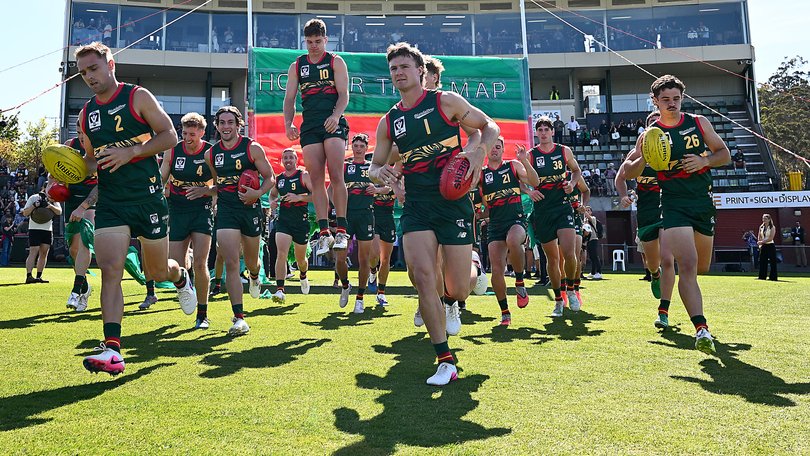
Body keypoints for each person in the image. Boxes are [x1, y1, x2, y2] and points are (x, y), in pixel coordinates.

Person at [369, 42, 500, 386]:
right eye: (393, 68)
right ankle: (445, 360)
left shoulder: (446, 102)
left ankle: (473, 267)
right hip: (416, 205)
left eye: (404, 67)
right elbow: (374, 165)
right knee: (423, 277)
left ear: (420, 71)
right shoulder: (389, 121)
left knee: (457, 289)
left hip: (453, 202)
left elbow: (489, 127)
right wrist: (381, 173)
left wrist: (479, 152)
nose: (398, 72)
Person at [75, 42, 197, 375]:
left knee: (156, 272)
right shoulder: (86, 114)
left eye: (94, 68)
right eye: (83, 72)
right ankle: (112, 349)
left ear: (110, 64)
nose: (89, 76)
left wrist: (131, 152)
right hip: (112, 202)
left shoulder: (137, 96)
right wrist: (69, 168)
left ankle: (181, 276)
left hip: (148, 198)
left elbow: (169, 136)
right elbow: (90, 162)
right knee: (110, 270)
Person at [622, 74, 731, 354]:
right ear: (655, 101)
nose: (672, 104)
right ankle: (701, 329)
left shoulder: (698, 123)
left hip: (702, 201)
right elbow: (628, 172)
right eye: (665, 99)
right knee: (688, 265)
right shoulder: (649, 135)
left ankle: (696, 322)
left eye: (676, 99)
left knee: (702, 266)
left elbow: (724, 154)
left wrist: (705, 160)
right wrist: (645, 156)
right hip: (672, 203)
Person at [206, 106, 276, 336]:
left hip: (250, 210)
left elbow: (270, 178)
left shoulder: (252, 148)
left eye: (230, 122)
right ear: (217, 126)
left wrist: (258, 194)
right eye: (222, 122)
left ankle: (255, 276)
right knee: (231, 262)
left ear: (238, 125)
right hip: (227, 210)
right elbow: (218, 184)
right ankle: (239, 318)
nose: (226, 126)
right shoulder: (211, 154)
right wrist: (208, 195)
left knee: (252, 261)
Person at [283, 19, 350, 257]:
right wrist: (288, 123)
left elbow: (344, 95)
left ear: (326, 40)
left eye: (318, 41)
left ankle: (341, 230)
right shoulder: (297, 65)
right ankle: (324, 233)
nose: (313, 46)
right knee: (316, 179)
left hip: (332, 122)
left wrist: (336, 116)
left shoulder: (335, 61)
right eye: (309, 42)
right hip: (310, 125)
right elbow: (289, 99)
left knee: (336, 174)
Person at [615, 110, 677, 328]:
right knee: (653, 262)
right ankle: (654, 274)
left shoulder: (674, 149)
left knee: (668, 259)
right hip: (646, 210)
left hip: (669, 207)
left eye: (659, 123)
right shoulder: (636, 152)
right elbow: (621, 177)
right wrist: (623, 195)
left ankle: (663, 311)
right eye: (651, 124)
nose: (655, 127)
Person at [159, 112, 215, 329]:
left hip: (202, 210)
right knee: (174, 265)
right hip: (177, 209)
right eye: (184, 133)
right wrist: (156, 192)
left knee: (201, 263)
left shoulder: (210, 152)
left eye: (192, 134)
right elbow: (162, 177)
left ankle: (202, 314)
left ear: (202, 133)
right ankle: (184, 282)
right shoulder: (173, 150)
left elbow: (220, 186)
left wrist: (205, 191)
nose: (188, 138)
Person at [527, 116, 583, 317]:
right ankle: (558, 300)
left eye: (546, 129)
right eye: (540, 130)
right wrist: (529, 191)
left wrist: (572, 183)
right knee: (552, 259)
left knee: (569, 253)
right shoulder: (531, 155)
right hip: (542, 211)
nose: (543, 133)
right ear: (536, 133)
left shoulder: (563, 151)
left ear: (552, 131)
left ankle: (571, 290)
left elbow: (576, 171)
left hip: (562, 207)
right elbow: (520, 179)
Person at [481, 138, 540, 325]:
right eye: (491, 147)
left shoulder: (513, 165)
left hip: (516, 219)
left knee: (513, 240)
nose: (494, 150)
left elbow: (535, 181)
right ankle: (505, 312)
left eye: (498, 147)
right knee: (496, 270)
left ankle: (520, 282)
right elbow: (479, 200)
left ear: (503, 149)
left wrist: (525, 161)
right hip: (495, 224)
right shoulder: (481, 173)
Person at [337, 134, 376, 313]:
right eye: (356, 146)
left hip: (366, 215)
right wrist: (336, 208)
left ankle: (360, 298)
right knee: (340, 258)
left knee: (364, 259)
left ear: (367, 148)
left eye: (362, 146)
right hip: (346, 217)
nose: (358, 149)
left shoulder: (372, 167)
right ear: (351, 147)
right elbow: (331, 189)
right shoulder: (345, 166)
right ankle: (345, 285)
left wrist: (377, 189)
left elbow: (388, 187)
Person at [63, 121, 99, 312]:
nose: (81, 136)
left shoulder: (101, 148)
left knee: (85, 241)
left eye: (84, 132)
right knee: (73, 250)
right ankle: (85, 288)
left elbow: (102, 184)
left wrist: (83, 206)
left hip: (91, 198)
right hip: (70, 199)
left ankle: (76, 291)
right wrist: (52, 185)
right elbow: (56, 172)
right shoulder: (69, 146)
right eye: (78, 132)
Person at [269, 148, 312, 304]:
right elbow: (272, 194)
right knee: (281, 253)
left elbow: (317, 195)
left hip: (301, 221)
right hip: (284, 221)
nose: (288, 160)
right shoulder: (279, 179)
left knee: (301, 260)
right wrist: (273, 202)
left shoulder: (303, 175)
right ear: (282, 160)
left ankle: (303, 274)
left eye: (290, 157)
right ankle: (280, 289)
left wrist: (298, 197)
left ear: (296, 160)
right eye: (285, 158)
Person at [22, 186, 61, 283]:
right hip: (34, 229)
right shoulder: (34, 197)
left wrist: (50, 206)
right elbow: (25, 213)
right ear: (44, 188)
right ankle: (29, 276)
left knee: (44, 253)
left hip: (47, 230)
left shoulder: (53, 199)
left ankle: (39, 276)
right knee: (33, 252)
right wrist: (34, 205)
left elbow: (59, 212)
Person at [583, 206, 603, 279]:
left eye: (588, 210)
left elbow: (588, 217)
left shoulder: (593, 218)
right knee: (591, 257)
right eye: (586, 210)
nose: (587, 211)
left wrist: (583, 209)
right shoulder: (584, 220)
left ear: (591, 212)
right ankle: (593, 272)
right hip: (588, 240)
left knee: (594, 256)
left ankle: (599, 272)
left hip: (593, 239)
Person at [757, 214, 778, 281]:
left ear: (769, 219)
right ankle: (762, 276)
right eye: (763, 218)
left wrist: (762, 241)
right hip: (763, 246)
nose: (764, 220)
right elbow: (759, 235)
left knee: (772, 262)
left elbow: (770, 238)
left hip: (770, 245)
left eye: (765, 219)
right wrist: (759, 243)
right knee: (762, 261)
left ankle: (773, 277)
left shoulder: (772, 227)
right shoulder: (761, 227)